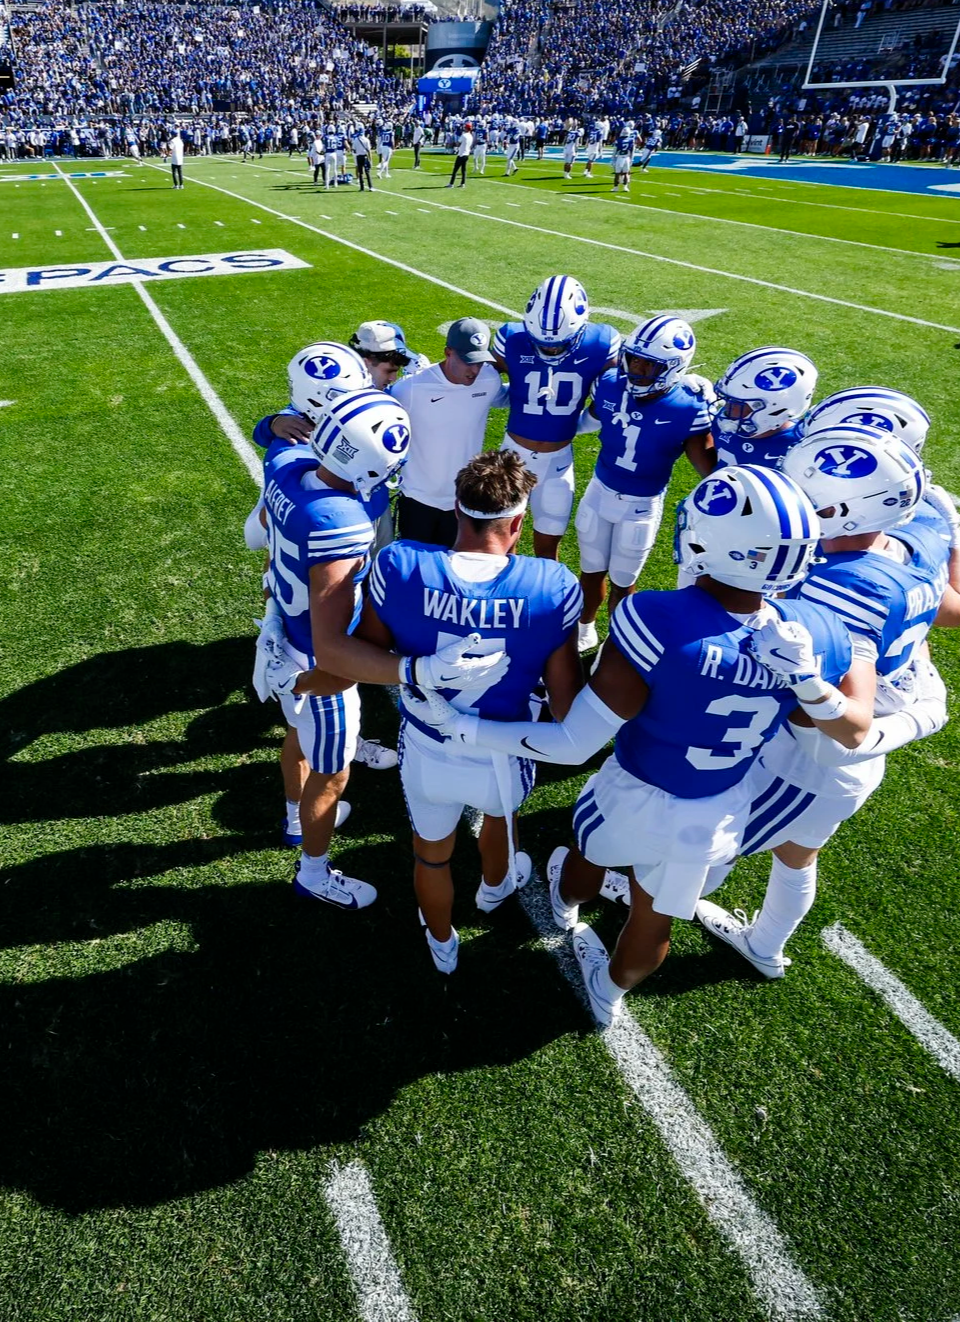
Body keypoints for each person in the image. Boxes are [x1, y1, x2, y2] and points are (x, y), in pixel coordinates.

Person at [440, 464, 881, 1026]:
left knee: (587, 854)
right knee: (655, 919)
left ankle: (564, 904)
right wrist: (810, 683)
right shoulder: (819, 632)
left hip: (638, 790)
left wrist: (469, 728)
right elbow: (853, 730)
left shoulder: (658, 617)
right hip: (719, 809)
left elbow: (576, 742)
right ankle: (608, 993)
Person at [696, 431, 960, 978]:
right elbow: (925, 638)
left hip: (813, 755)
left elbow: (845, 716)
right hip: (854, 755)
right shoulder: (909, 555)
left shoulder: (845, 586)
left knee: (714, 837)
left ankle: (655, 898)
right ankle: (766, 947)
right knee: (799, 854)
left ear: (841, 509)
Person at [357, 450, 584, 972]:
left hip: (425, 749)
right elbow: (568, 701)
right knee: (501, 824)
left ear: (457, 511)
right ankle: (492, 889)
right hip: (502, 754)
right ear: (519, 522)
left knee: (430, 855)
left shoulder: (399, 564)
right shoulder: (551, 585)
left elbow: (369, 656)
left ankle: (441, 942)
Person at [251, 389, 414, 908]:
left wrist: (278, 420)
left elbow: (269, 434)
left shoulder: (285, 468)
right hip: (313, 659)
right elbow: (337, 648)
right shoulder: (340, 520)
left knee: (299, 734)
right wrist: (417, 670)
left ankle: (296, 817)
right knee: (334, 770)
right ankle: (314, 873)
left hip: (282, 630)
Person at [575, 314, 715, 638]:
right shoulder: (610, 384)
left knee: (624, 584)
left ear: (674, 367)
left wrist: (715, 414)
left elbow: (707, 465)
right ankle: (584, 630)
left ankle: (616, 642)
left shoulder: (689, 407)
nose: (636, 370)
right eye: (634, 360)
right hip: (599, 492)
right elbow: (585, 422)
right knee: (590, 572)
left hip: (642, 505)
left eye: (647, 365)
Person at [493, 275, 620, 580]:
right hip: (513, 455)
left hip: (559, 459)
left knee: (548, 548)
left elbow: (615, 395)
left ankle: (541, 608)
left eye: (558, 344)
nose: (549, 351)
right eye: (541, 343)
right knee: (501, 543)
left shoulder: (602, 343)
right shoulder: (511, 337)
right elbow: (480, 379)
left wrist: (579, 425)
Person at [388, 318, 505, 546]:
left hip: (463, 502)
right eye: (468, 361)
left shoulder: (489, 380)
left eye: (480, 362)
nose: (475, 370)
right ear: (448, 352)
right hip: (417, 501)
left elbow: (507, 398)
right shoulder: (410, 389)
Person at [706, 346, 818, 471]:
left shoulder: (799, 448)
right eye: (728, 400)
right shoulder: (729, 421)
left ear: (777, 408)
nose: (727, 408)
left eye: (737, 403)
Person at [612, 124, 636, 191]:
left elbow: (615, 151)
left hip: (619, 157)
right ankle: (625, 187)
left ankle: (615, 188)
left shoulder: (619, 140)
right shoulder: (631, 140)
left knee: (617, 173)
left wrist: (613, 159)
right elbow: (632, 151)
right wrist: (631, 159)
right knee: (626, 173)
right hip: (627, 158)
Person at [449, 123, 472, 188]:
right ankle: (463, 183)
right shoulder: (470, 136)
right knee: (463, 170)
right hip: (467, 154)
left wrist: (454, 143)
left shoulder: (464, 135)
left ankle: (451, 183)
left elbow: (458, 144)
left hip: (461, 154)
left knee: (455, 169)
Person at [351, 125, 372, 191]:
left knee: (360, 173)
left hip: (358, 157)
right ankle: (370, 187)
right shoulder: (366, 140)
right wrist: (370, 160)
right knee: (367, 172)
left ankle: (362, 187)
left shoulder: (355, 140)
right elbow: (369, 151)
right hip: (365, 156)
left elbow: (354, 150)